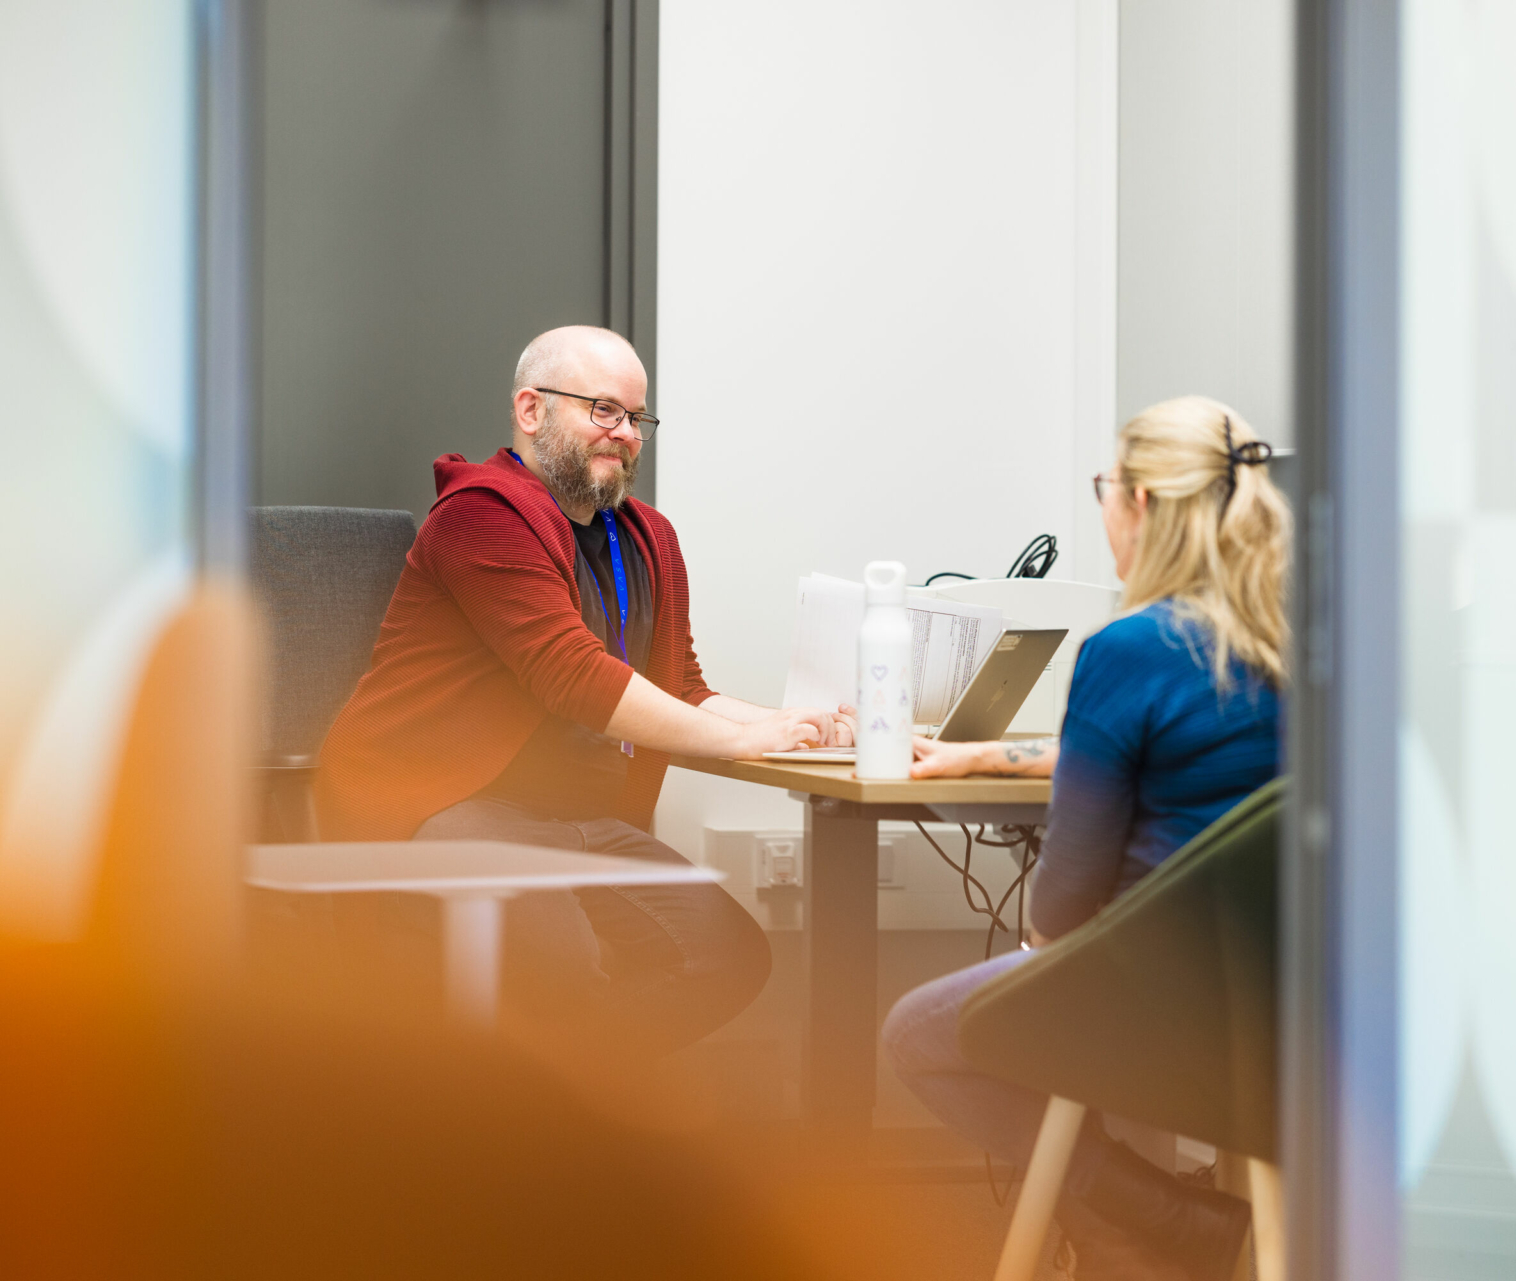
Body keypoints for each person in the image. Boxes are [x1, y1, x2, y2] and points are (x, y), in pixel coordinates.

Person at [315, 325, 851, 1057]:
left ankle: (557, 1120)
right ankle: (526, 1135)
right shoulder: (480, 515)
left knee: (729, 956)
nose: (625, 433)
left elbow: (683, 689)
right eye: (602, 410)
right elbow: (571, 673)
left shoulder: (649, 538)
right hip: (444, 803)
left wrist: (799, 724)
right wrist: (744, 738)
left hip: (577, 817)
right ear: (531, 411)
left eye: (637, 417)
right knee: (564, 973)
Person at [882, 395, 1289, 1281]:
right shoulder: (1297, 644)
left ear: (1140, 503)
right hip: (1294, 1007)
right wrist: (1001, 753)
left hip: (1164, 1005)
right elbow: (1186, 741)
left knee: (915, 1034)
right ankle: (1133, 1239)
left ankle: (1169, 1219)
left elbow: (1061, 913)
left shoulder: (1128, 647)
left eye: (1107, 486)